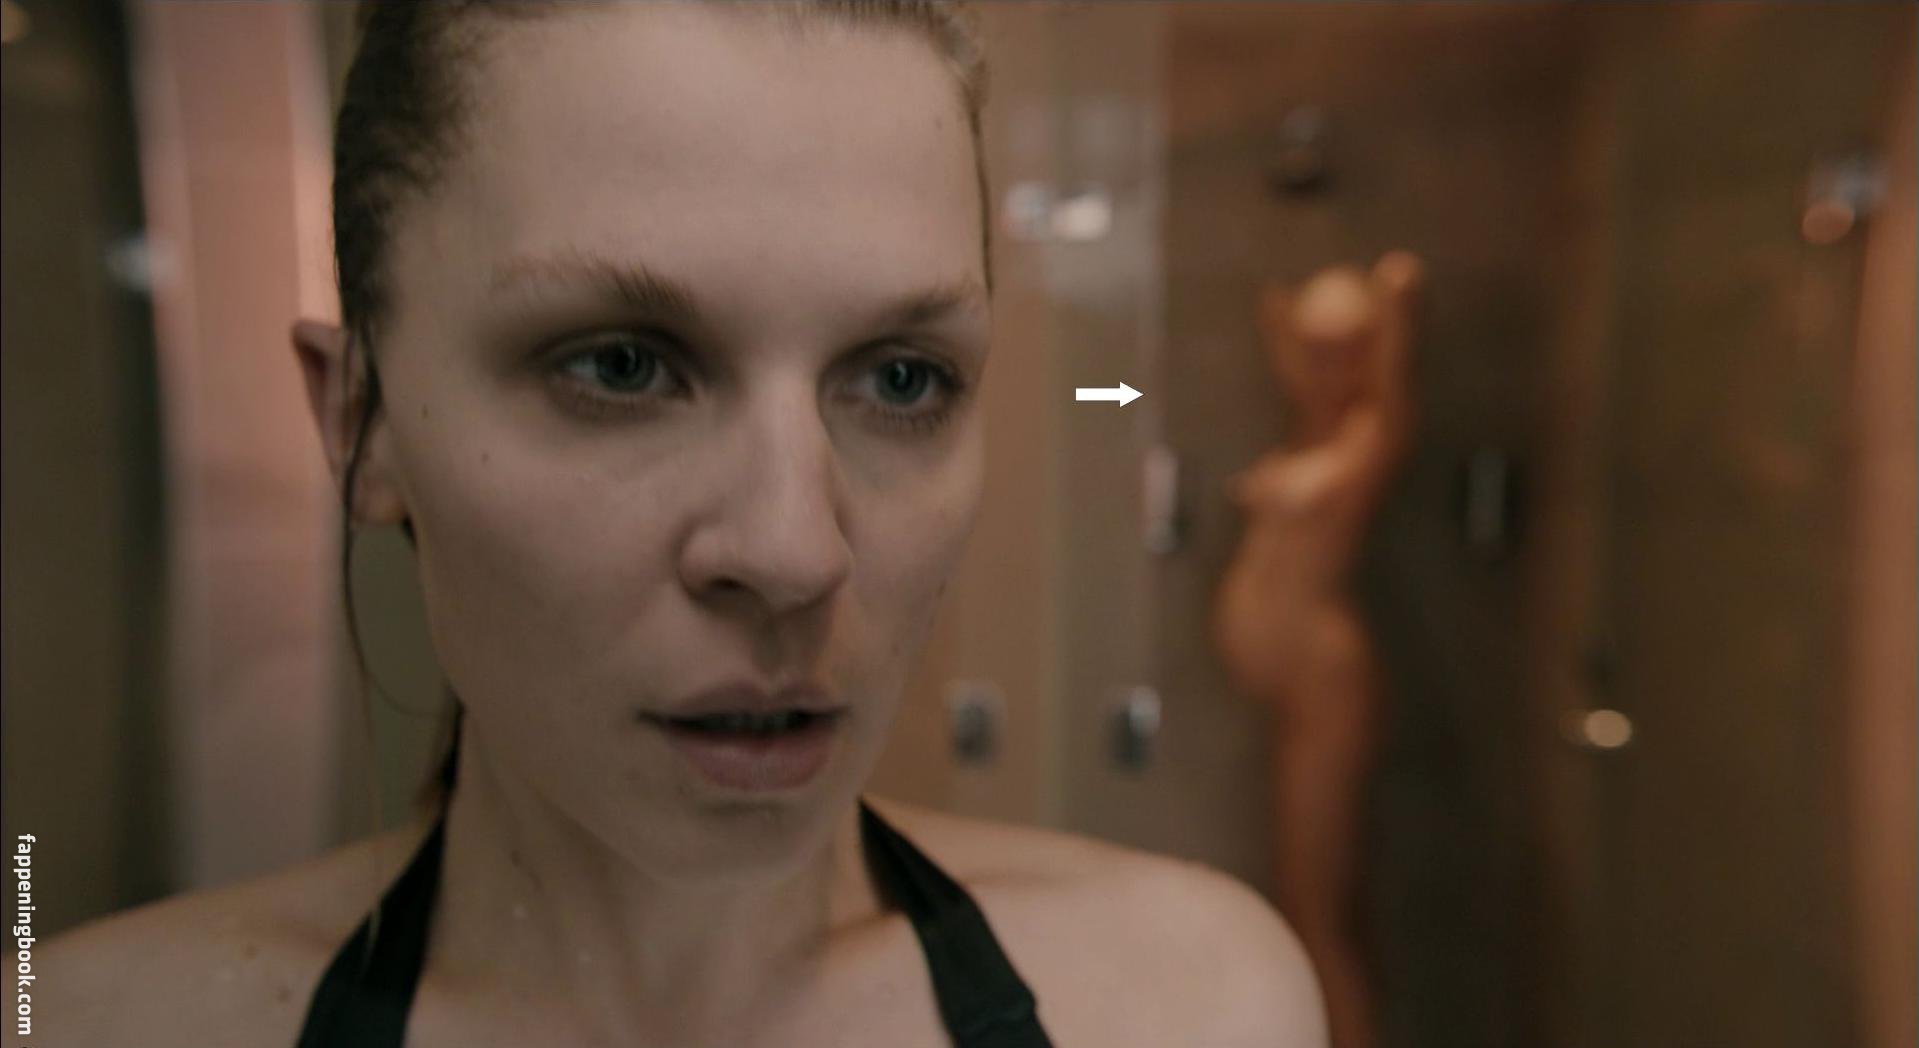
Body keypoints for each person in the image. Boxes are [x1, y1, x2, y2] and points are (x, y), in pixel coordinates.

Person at [33, 4, 1325, 1046]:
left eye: (899, 379)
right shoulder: (77, 1024)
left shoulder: (1191, 1008)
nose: (794, 553)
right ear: (360, 423)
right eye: (621, 365)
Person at [1213, 252, 1425, 1048]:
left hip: (1323, 678)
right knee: (1296, 898)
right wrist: (1282, 316)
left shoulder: (1368, 431)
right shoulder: (1309, 431)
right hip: (1289, 683)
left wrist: (1396, 311)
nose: (1324, 367)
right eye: (1316, 351)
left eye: (1344, 351)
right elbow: (1290, 352)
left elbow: (1393, 403)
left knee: (1320, 907)